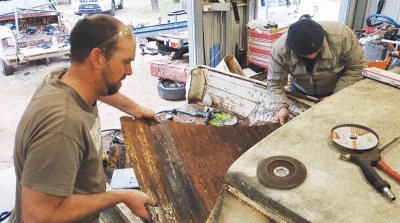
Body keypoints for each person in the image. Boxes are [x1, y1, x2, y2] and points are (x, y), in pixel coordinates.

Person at [9, 14, 160, 223]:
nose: (130, 71)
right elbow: (37, 216)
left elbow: (100, 87)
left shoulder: (67, 79)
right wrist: (121, 195)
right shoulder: (62, 125)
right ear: (97, 58)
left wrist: (134, 108)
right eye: (125, 62)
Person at [267, 18, 367, 125]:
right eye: (306, 54)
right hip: (300, 93)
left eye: (316, 51)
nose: (312, 56)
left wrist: (336, 96)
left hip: (337, 89)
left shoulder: (343, 37)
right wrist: (281, 107)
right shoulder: (280, 50)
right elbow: (275, 83)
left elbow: (357, 68)